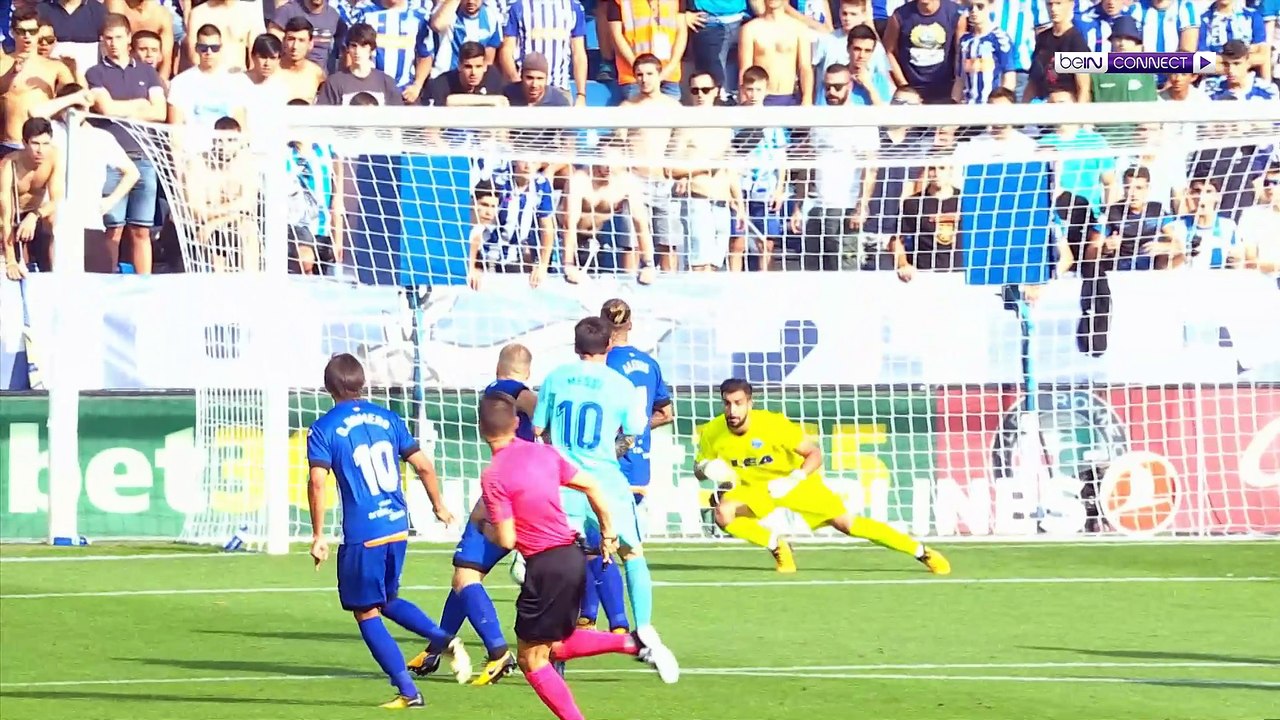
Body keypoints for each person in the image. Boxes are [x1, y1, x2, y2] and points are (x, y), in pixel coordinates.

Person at [475, 390, 678, 720]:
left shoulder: (493, 475)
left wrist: (485, 525)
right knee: (555, 644)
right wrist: (608, 529)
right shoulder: (545, 454)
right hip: (573, 556)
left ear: (482, 429)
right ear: (516, 422)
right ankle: (634, 642)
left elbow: (507, 538)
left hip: (545, 566)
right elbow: (593, 487)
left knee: (532, 660)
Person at [306, 353, 472, 709]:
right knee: (386, 599)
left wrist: (318, 535)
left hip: (363, 533)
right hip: (397, 526)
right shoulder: (388, 418)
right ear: (362, 383)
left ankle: (408, 691)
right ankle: (441, 639)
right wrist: (438, 506)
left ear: (328, 387)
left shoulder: (323, 428)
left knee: (366, 611)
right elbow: (424, 466)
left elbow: (317, 483)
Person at [695, 378, 952, 575]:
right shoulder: (713, 432)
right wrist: (705, 468)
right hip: (755, 487)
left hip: (794, 482)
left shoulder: (773, 425)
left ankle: (921, 552)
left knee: (846, 524)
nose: (732, 410)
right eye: (727, 403)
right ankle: (777, 546)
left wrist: (794, 479)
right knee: (723, 513)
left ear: (750, 403)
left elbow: (815, 454)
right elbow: (698, 469)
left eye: (738, 403)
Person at [532, 316, 676, 662]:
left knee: (559, 560)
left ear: (576, 346)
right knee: (632, 554)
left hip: (564, 484)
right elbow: (635, 429)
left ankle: (553, 639)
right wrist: (611, 452)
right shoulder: (620, 384)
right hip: (606, 483)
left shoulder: (555, 378)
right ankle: (644, 632)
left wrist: (561, 455)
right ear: (608, 346)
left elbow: (540, 431)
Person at [408, 343, 535, 686]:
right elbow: (536, 413)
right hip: (531, 490)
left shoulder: (501, 389)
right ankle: (436, 647)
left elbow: (528, 402)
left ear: (500, 366)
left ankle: (498, 653)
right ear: (527, 370)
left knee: (465, 575)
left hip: (506, 490)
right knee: (467, 576)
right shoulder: (523, 400)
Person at [576, 298, 674, 634]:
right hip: (640, 468)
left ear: (602, 328)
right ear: (630, 325)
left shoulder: (599, 366)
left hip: (606, 466)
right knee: (629, 550)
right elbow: (666, 413)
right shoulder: (649, 364)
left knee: (593, 545)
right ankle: (636, 626)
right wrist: (639, 429)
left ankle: (597, 619)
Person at [1, 8, 74, 159]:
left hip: (43, 146)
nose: (27, 37)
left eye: (32, 31)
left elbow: (75, 100)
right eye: (21, 31)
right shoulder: (3, 63)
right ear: (12, 32)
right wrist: (11, 74)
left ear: (39, 32)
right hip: (9, 146)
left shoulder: (56, 67)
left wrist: (75, 71)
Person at [0, 117, 61, 278]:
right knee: (12, 265)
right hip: (9, 216)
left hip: (33, 214)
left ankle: (48, 274)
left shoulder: (54, 157)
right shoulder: (10, 164)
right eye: (35, 143)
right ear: (24, 142)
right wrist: (10, 260)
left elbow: (57, 199)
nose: (41, 150)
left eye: (46, 144)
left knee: (51, 221)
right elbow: (5, 215)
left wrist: (34, 216)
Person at [738, 0, 813, 105]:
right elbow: (745, 68)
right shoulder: (750, 29)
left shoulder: (799, 28)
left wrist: (807, 98)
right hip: (760, 99)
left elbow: (805, 67)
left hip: (789, 96)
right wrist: (744, 100)